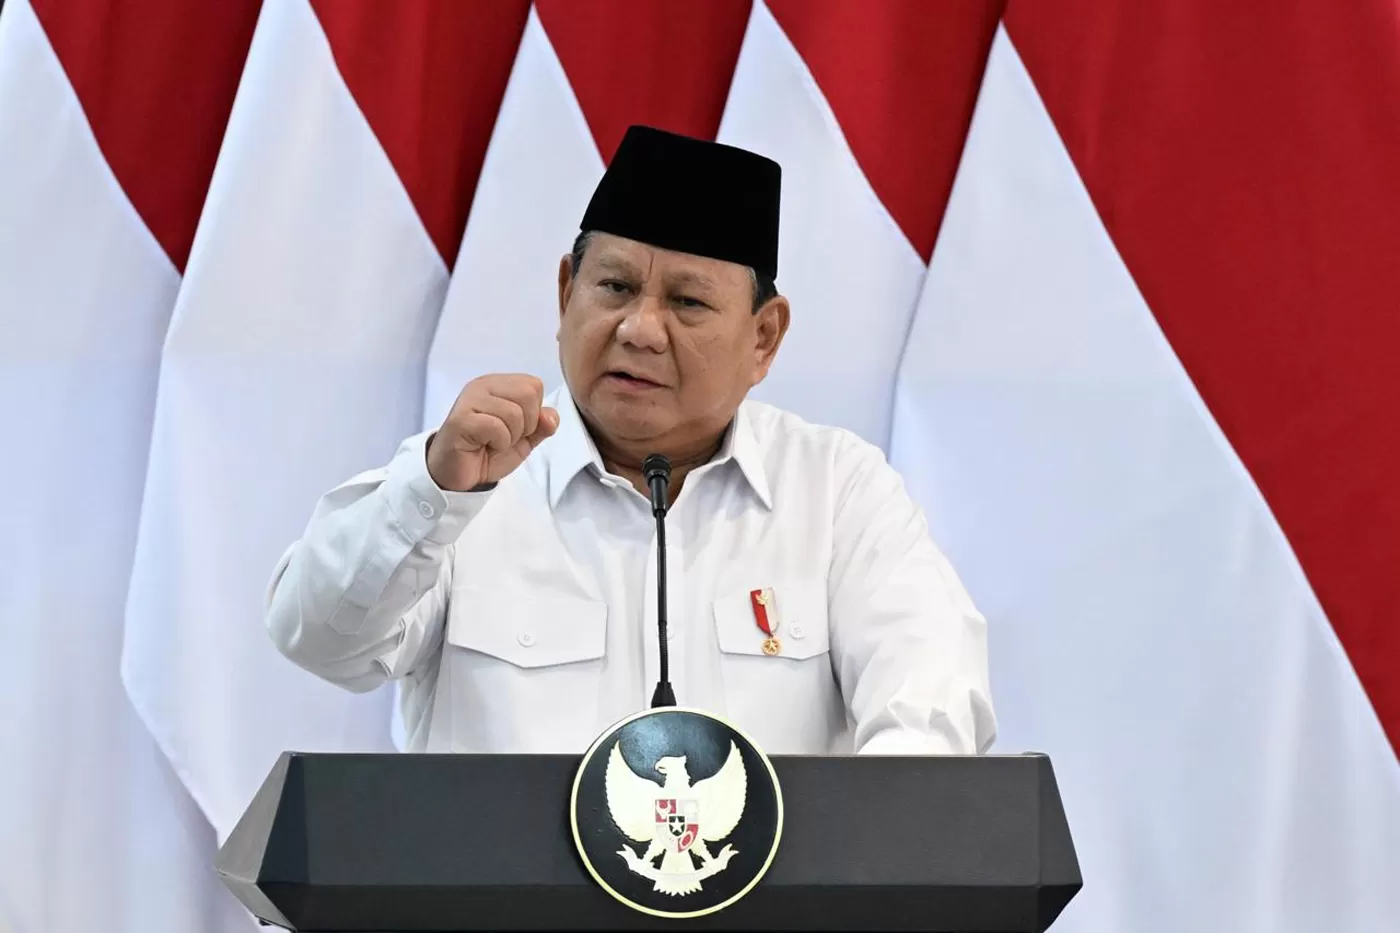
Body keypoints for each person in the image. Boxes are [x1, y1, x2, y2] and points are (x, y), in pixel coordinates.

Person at [266, 125, 995, 757]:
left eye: (687, 301)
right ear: (566, 295)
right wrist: (433, 493)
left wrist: (868, 845)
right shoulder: (466, 481)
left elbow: (931, 702)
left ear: (763, 337)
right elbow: (318, 639)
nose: (640, 329)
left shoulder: (834, 490)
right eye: (615, 287)